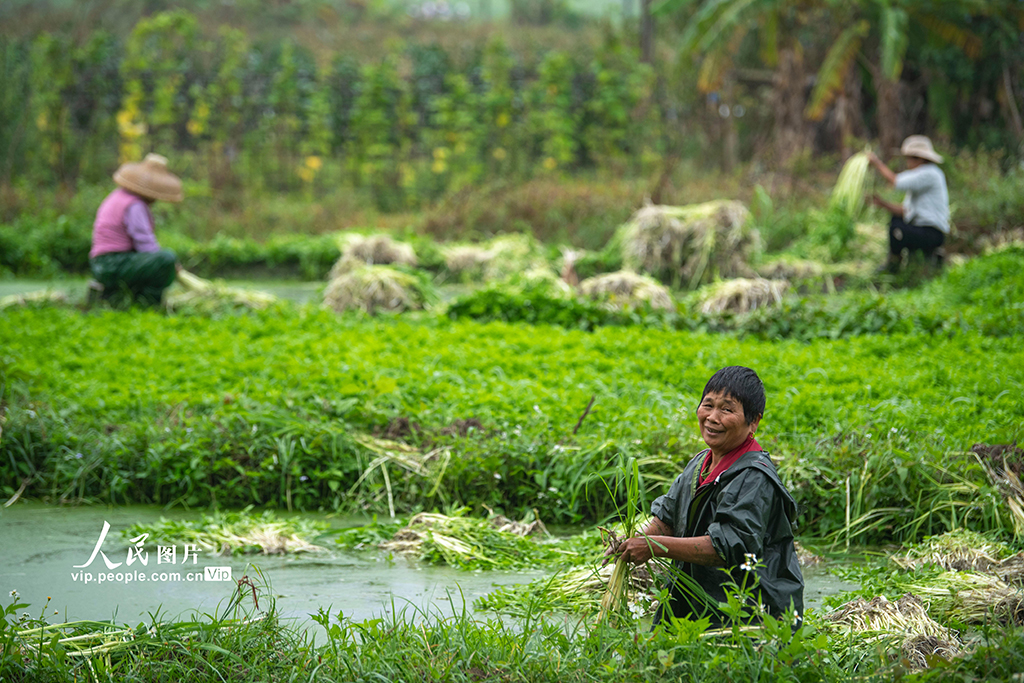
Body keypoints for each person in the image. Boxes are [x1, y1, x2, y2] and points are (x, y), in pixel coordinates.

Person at [613, 366, 804, 628]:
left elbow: (727, 547)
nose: (712, 417)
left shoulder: (754, 477)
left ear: (753, 421)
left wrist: (653, 546)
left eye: (727, 409)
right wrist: (635, 540)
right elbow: (667, 518)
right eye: (708, 405)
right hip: (698, 604)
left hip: (748, 615)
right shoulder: (700, 463)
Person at [89, 153, 182, 306]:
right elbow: (144, 242)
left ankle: (129, 298)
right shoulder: (135, 205)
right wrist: (170, 265)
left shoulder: (118, 196)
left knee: (161, 259)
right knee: (166, 259)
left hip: (102, 263)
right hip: (113, 263)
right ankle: (148, 302)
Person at [867, 135, 950, 272]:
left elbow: (896, 181)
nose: (907, 162)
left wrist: (876, 163)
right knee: (896, 220)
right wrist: (882, 203)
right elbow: (905, 211)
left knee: (897, 230)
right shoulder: (920, 178)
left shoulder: (930, 173)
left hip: (931, 233)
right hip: (922, 229)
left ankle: (895, 265)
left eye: (909, 158)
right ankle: (899, 261)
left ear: (919, 158)